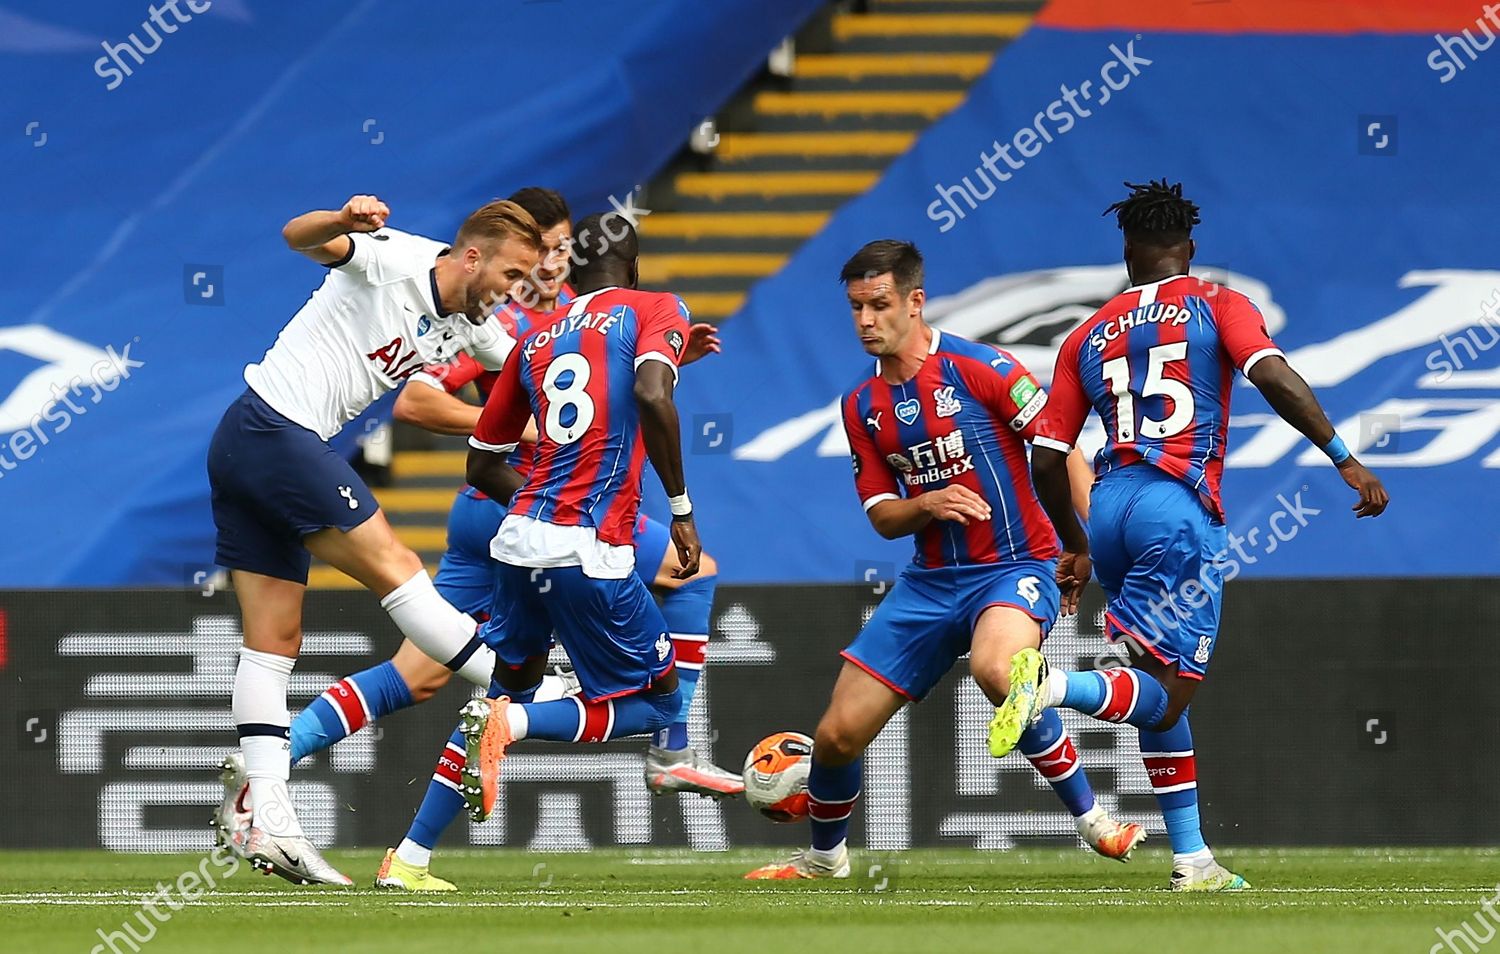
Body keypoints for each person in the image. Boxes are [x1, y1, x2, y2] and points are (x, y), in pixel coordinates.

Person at [992, 179, 1389, 891]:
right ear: (1190, 248)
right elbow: (1276, 378)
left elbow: (1047, 456)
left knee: (1154, 684)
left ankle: (1192, 858)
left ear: (1127, 251)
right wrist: (1344, 457)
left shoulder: (1086, 333)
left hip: (1109, 506)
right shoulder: (1218, 303)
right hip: (1174, 511)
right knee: (1171, 693)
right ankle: (1049, 685)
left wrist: (1075, 543)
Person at [745, 240, 1143, 880]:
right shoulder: (861, 406)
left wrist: (1086, 545)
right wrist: (926, 502)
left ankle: (1093, 821)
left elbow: (1061, 451)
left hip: (1018, 564)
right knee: (836, 737)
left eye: (879, 305)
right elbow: (880, 514)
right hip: (929, 583)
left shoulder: (983, 368)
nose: (866, 321)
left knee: (998, 668)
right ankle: (825, 859)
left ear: (915, 301)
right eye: (855, 308)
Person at [205, 195, 540, 885]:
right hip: (275, 433)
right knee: (396, 566)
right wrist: (340, 220)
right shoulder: (393, 258)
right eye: (511, 275)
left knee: (274, 641)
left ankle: (264, 816)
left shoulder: (473, 327)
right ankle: (531, 690)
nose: (514, 292)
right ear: (471, 257)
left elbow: (540, 367)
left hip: (248, 444)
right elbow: (296, 236)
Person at [446, 211, 707, 836]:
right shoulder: (655, 307)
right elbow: (649, 394)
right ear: (634, 269)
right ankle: (527, 728)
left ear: (572, 271)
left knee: (505, 688)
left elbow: (482, 464)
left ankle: (411, 855)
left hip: (517, 543)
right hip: (591, 547)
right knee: (660, 701)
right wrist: (680, 511)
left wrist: (535, 504)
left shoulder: (535, 336)